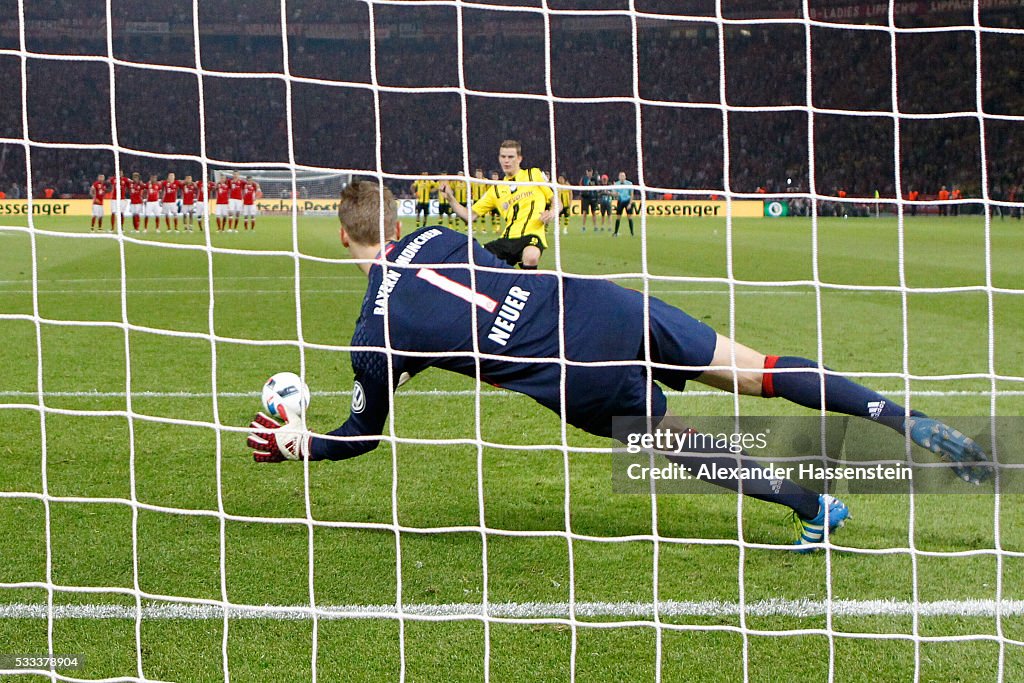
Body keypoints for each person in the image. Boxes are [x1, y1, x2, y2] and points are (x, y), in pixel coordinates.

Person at [247, 181, 990, 550]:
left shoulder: (374, 328)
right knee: (758, 369)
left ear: (344, 237)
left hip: (569, 368)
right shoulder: (440, 234)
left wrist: (300, 442)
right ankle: (904, 417)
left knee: (675, 441)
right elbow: (485, 266)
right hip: (600, 303)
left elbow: (364, 430)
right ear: (398, 219)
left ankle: (812, 507)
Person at [440, 139, 557, 270]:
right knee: (474, 259)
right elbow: (469, 216)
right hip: (507, 240)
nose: (506, 160)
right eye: (503, 157)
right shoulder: (495, 190)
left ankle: (528, 288)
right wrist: (450, 198)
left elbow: (557, 202)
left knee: (531, 255)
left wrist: (552, 212)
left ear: (519, 159)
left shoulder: (533, 175)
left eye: (511, 157)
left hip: (532, 236)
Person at [613, 171, 636, 237]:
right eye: (621, 176)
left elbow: (631, 194)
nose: (622, 177)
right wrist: (615, 193)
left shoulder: (629, 183)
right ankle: (616, 232)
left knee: (629, 217)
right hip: (620, 201)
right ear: (619, 177)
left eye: (623, 176)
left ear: (625, 177)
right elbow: (615, 194)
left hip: (627, 201)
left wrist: (630, 203)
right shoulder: (616, 184)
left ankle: (632, 233)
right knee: (618, 217)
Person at [579, 168, 598, 232]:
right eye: (588, 172)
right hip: (585, 198)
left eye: (590, 172)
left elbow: (598, 187)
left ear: (592, 172)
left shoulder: (594, 179)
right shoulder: (584, 179)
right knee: (584, 212)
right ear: (586, 172)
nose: (589, 173)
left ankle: (595, 226)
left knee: (594, 212)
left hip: (593, 197)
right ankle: (583, 226)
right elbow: (580, 186)